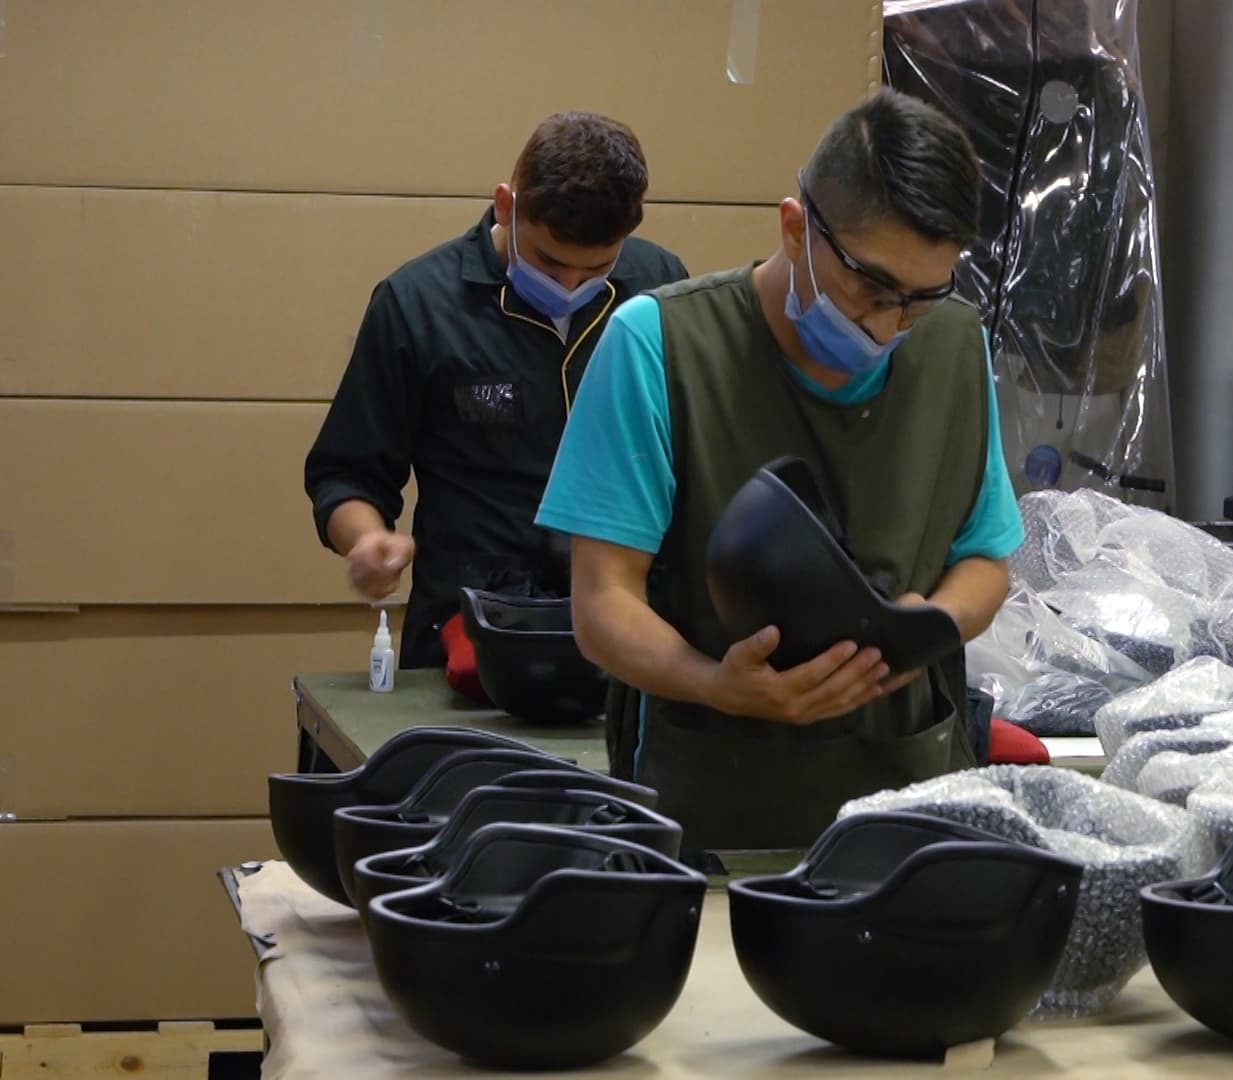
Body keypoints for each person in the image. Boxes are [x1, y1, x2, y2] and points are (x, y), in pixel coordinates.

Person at [536, 89, 1023, 852]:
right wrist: (716, 683)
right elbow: (602, 604)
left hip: (910, 798)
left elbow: (987, 559)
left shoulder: (956, 349)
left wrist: (927, 628)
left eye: (922, 299)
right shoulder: (658, 346)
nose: (889, 327)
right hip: (711, 807)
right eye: (870, 289)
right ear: (795, 228)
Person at [304, 112, 689, 669]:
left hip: (628, 629)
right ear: (506, 204)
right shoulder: (418, 304)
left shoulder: (658, 288)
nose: (570, 287)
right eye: (550, 263)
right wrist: (367, 541)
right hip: (470, 639)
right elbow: (345, 472)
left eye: (596, 269)